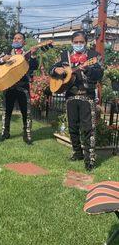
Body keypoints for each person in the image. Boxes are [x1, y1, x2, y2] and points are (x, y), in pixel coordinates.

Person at [50, 31, 103, 171]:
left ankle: (90, 158)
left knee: (88, 128)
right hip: (70, 96)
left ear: (86, 42)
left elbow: (100, 73)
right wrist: (57, 69)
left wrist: (87, 70)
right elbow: (51, 70)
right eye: (76, 41)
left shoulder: (94, 56)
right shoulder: (64, 56)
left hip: (87, 96)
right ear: (72, 42)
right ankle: (77, 153)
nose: (78, 44)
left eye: (81, 42)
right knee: (73, 127)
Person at [0, 32, 38, 144]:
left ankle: (27, 134)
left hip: (23, 86)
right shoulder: (7, 52)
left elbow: (34, 66)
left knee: (26, 112)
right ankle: (5, 132)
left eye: (19, 38)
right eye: (15, 38)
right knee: (7, 111)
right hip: (9, 86)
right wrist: (3, 59)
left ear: (24, 42)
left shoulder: (28, 54)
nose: (16, 40)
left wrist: (34, 55)